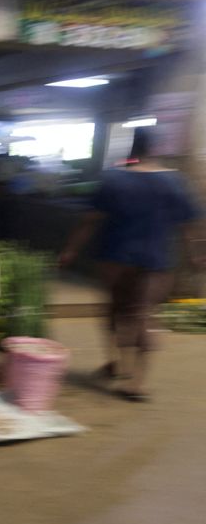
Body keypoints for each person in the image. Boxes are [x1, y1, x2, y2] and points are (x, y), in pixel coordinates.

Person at [60, 127, 203, 401]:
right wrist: (196, 255)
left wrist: (70, 250)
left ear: (132, 148)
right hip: (154, 261)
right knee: (142, 315)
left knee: (115, 311)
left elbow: (90, 220)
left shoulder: (113, 179)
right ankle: (136, 381)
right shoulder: (175, 182)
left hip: (114, 258)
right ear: (156, 148)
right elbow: (190, 226)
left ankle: (118, 363)